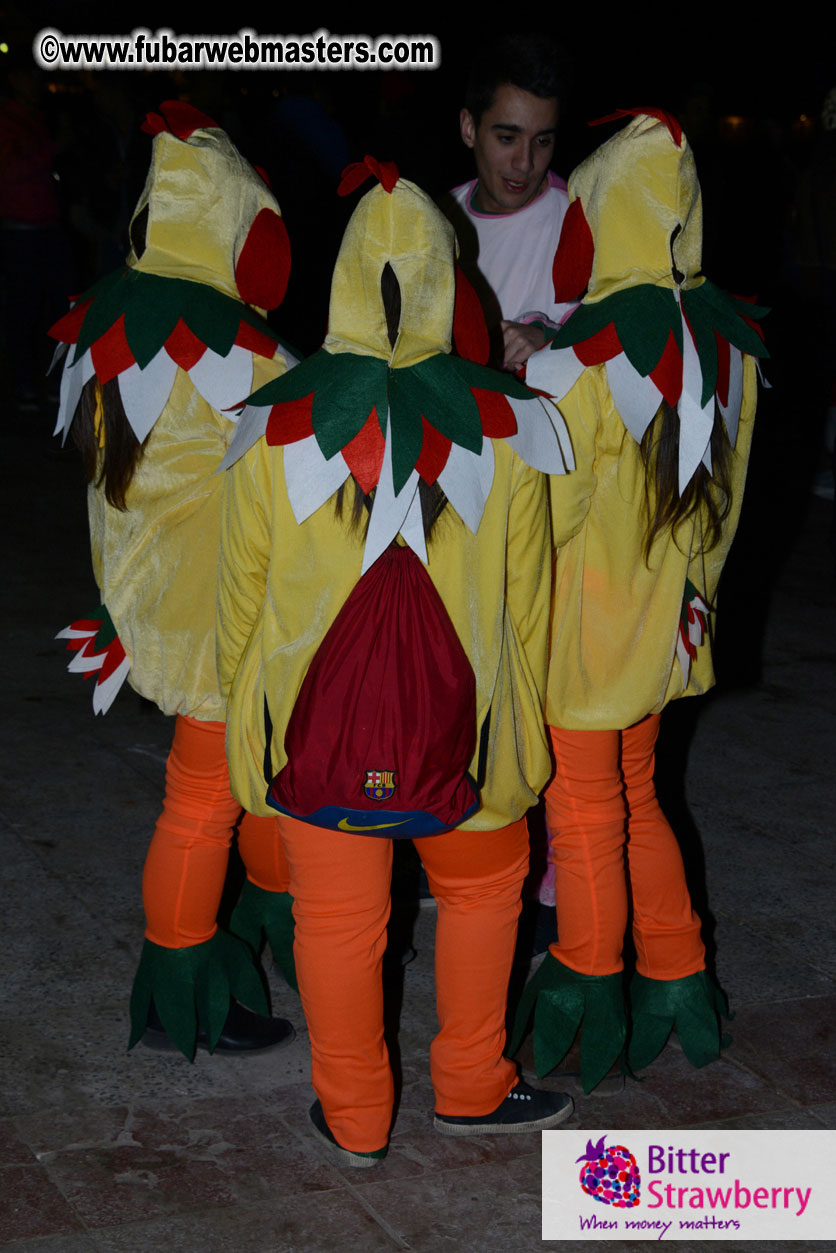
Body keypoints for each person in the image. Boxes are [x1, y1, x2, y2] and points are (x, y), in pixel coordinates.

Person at [217, 156, 576, 1165]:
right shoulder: (511, 424)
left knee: (337, 924)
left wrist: (251, 734)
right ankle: (468, 1081)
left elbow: (240, 602)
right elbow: (526, 603)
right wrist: (525, 740)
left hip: (315, 733)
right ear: (444, 275)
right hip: (468, 738)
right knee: (484, 889)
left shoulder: (270, 420)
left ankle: (356, 1112)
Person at [513, 109, 768, 1094]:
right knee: (637, 797)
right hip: (665, 627)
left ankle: (587, 985)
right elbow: (727, 507)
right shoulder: (728, 341)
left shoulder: (578, 360)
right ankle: (675, 970)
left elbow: (552, 511)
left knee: (580, 815)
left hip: (585, 632)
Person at [52, 100, 299, 1061]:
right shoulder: (247, 352)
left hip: (145, 604)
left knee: (240, 790)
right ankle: (182, 982)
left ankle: (252, 941)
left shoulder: (103, 321)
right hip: (222, 624)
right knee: (206, 802)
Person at [444, 34, 575, 373]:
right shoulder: (437, 221)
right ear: (469, 128)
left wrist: (552, 341)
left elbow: (622, 347)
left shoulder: (582, 221)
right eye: (507, 138)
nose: (525, 163)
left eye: (542, 141)